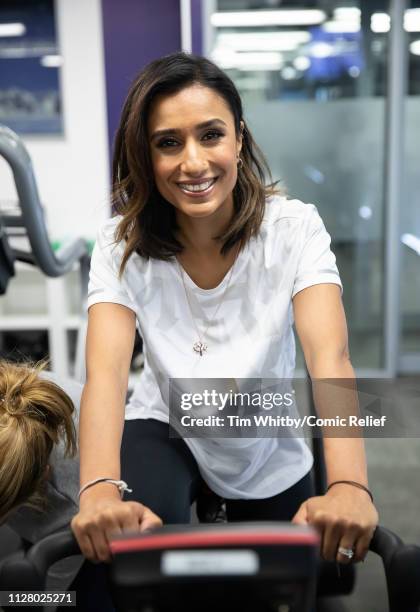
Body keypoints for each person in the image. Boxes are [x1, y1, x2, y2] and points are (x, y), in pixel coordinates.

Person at [71, 52, 378, 574]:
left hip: (265, 438)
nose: (193, 163)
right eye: (168, 143)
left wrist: (349, 485)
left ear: (238, 136)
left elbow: (331, 357)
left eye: (210, 135)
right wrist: (97, 490)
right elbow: (104, 375)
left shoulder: (294, 230)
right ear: (146, 155)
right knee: (135, 562)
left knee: (284, 581)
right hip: (166, 420)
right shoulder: (119, 244)